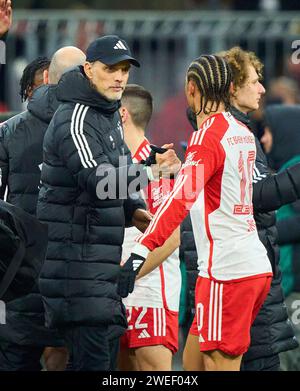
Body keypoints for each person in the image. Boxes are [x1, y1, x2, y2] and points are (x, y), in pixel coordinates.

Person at [118, 54, 273, 371]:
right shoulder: (241, 133)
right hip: (249, 265)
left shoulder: (206, 138)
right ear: (230, 88)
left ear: (191, 89)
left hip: (225, 274)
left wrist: (137, 257)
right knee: (192, 365)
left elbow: (178, 203)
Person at [37, 35, 181, 371]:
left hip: (97, 271)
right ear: (88, 69)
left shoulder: (107, 115)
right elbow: (98, 182)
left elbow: (114, 173)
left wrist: (134, 211)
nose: (119, 77)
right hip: (76, 271)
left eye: (124, 70)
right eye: (110, 69)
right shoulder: (75, 116)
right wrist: (150, 170)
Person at [182, 47, 299, 371]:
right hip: (232, 276)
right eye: (254, 80)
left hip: (233, 277)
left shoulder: (233, 135)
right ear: (232, 87)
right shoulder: (229, 138)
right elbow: (257, 196)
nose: (262, 88)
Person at [0, 47, 86, 371]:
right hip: (71, 274)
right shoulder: (92, 133)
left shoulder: (7, 133)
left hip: (17, 274)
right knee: (62, 356)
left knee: (15, 357)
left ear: (47, 79)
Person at [118, 84, 181, 371]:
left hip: (149, 292)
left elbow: (171, 237)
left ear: (121, 115)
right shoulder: (115, 165)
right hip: (117, 292)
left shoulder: (162, 166)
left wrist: (127, 275)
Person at [262, 104, 300, 370]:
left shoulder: (296, 173)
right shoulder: (287, 172)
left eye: (269, 131)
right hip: (286, 287)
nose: (263, 138)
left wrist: (267, 230)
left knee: (288, 360)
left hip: (295, 290)